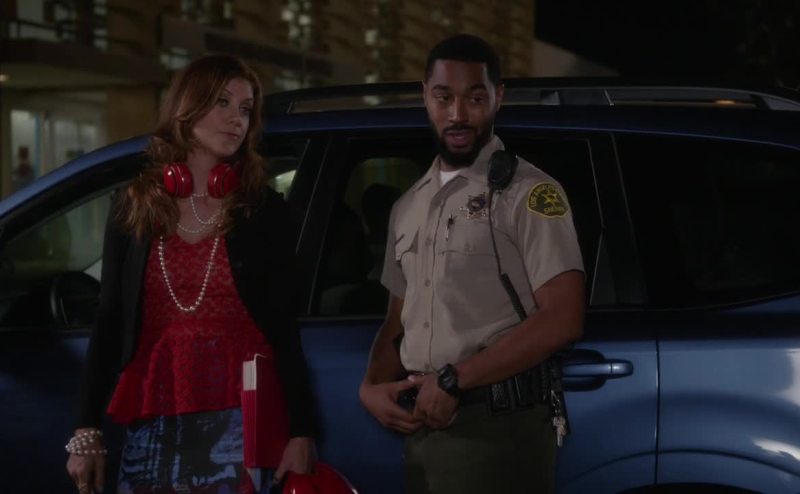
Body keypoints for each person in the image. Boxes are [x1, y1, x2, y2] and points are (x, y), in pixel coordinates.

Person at [65, 54, 318, 494]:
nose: (237, 119)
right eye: (222, 102)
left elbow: (283, 327)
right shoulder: (134, 205)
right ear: (188, 107)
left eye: (245, 109)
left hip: (241, 419)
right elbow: (109, 318)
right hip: (154, 419)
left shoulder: (261, 211)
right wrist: (87, 430)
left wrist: (302, 430)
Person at [358, 34, 585, 494]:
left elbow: (564, 317)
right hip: (423, 430)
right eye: (444, 97)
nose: (458, 114)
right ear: (425, 95)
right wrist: (371, 387)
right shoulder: (409, 206)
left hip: (498, 430)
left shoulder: (528, 193)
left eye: (475, 98)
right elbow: (397, 320)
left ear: (498, 97)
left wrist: (454, 379)